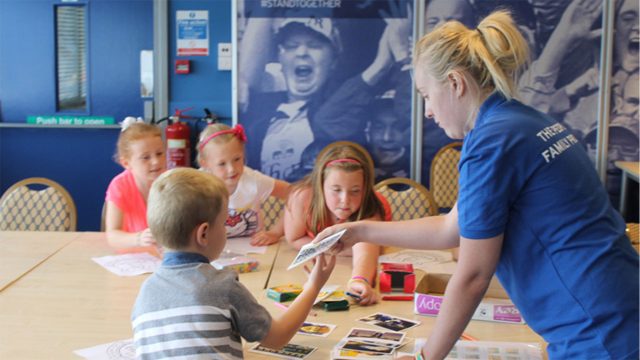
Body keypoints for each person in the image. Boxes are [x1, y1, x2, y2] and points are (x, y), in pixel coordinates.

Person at [316, 11, 639, 359]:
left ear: (455, 83)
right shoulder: (519, 120)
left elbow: (473, 274)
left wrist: (428, 356)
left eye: (426, 94)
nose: (426, 111)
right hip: (618, 307)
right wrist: (360, 230)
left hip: (598, 329)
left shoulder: (492, 141)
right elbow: (453, 227)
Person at [131, 168, 336, 359]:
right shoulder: (223, 286)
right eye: (223, 224)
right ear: (204, 233)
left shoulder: (144, 294)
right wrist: (314, 287)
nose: (226, 230)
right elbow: (277, 338)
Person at [240, 14, 404, 182]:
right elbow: (244, 82)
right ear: (280, 58)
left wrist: (383, 62)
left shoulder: (348, 110)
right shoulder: (261, 110)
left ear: (333, 61)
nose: (302, 52)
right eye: (291, 46)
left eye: (314, 46)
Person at [284, 141, 392, 305]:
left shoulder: (373, 204)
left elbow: (366, 249)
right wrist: (341, 248)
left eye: (355, 191)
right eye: (336, 190)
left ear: (365, 188)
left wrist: (359, 280)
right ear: (320, 185)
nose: (345, 200)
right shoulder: (300, 197)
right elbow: (294, 238)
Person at [197, 123, 290, 245]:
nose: (232, 169)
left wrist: (276, 232)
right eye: (222, 164)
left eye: (237, 159)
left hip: (255, 247)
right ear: (205, 163)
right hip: (211, 248)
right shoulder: (196, 185)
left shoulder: (254, 181)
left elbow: (296, 194)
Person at [105, 117, 165, 251]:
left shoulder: (171, 181)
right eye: (146, 157)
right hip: (133, 258)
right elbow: (112, 235)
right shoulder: (119, 186)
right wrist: (138, 239)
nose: (156, 161)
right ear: (126, 163)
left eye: (160, 153)